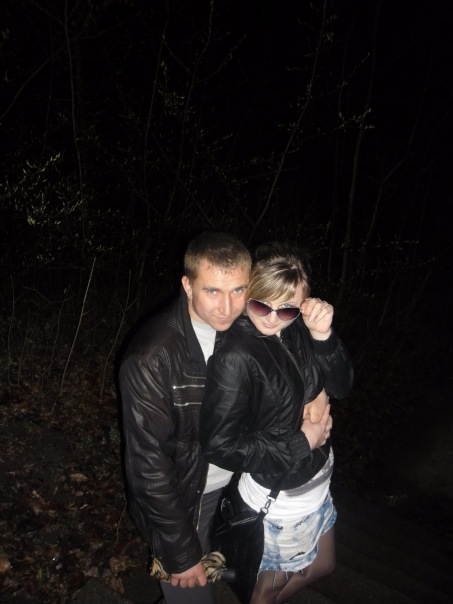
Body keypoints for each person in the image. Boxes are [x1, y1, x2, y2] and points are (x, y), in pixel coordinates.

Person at [200, 241, 354, 604]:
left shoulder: (298, 328)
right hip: (280, 500)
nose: (272, 318)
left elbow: (342, 387)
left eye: (286, 309)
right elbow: (219, 445)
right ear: (248, 294)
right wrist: (303, 441)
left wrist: (323, 336)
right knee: (263, 594)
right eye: (260, 305)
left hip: (318, 482)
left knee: (324, 565)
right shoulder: (236, 354)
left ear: (301, 304)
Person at [119, 232, 251, 604]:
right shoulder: (152, 358)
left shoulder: (242, 327)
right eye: (212, 291)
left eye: (238, 290)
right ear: (187, 285)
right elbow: (148, 467)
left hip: (229, 491)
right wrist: (180, 552)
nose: (227, 307)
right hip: (184, 504)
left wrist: (315, 393)